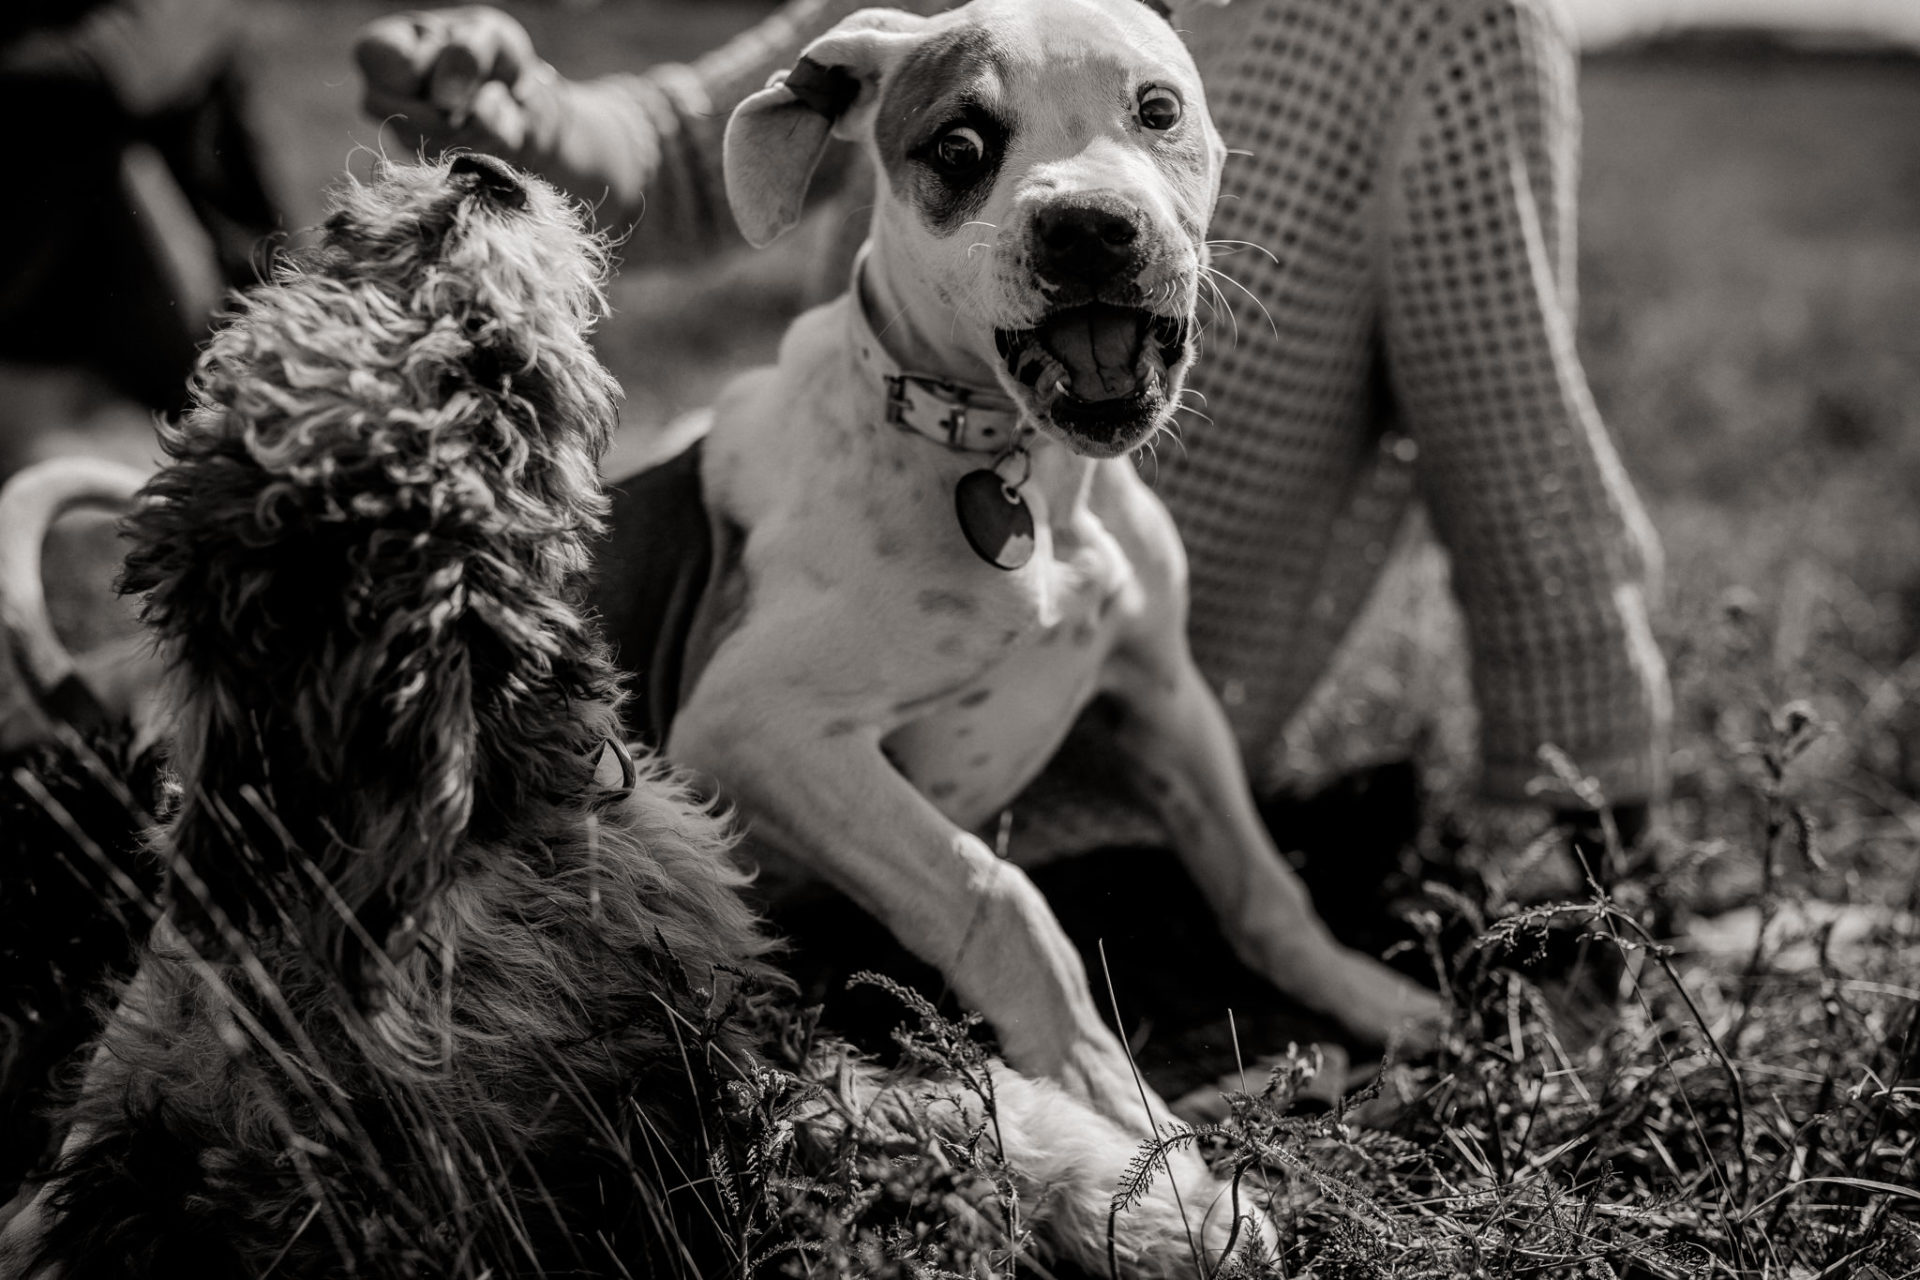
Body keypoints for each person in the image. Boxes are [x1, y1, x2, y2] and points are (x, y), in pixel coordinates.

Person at [354, 0, 1670, 976]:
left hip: (1106, 794)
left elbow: (1512, 422)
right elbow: (711, 147)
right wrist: (530, 115)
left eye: (1160, 117)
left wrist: (1588, 818)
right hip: (835, 652)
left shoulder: (1436, 18)